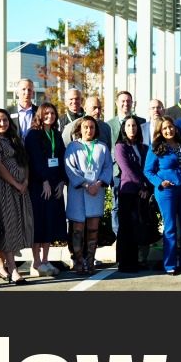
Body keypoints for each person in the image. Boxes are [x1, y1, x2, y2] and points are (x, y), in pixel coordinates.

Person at [0, 108, 33, 284]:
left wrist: (26, 181)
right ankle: (13, 270)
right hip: (5, 189)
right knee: (8, 227)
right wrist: (16, 183)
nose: (2, 124)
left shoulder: (14, 138)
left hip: (20, 189)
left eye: (5, 120)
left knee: (14, 226)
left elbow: (24, 162)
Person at [64, 116, 113, 276]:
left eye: (92, 127)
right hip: (78, 192)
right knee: (77, 228)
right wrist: (85, 184)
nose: (89, 130)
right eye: (85, 127)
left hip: (96, 192)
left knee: (93, 228)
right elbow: (70, 168)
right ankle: (78, 260)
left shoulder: (102, 147)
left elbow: (107, 168)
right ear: (80, 129)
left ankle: (90, 260)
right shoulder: (73, 146)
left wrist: (98, 184)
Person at [146, 118, 181, 275]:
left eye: (170, 127)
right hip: (166, 191)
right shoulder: (155, 147)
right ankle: (170, 264)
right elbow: (148, 171)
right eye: (165, 128)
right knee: (170, 227)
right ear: (160, 130)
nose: (168, 131)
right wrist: (160, 182)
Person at [24, 102, 66, 277]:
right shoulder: (33, 135)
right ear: (40, 115)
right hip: (39, 186)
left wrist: (62, 181)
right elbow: (34, 160)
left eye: (53, 113)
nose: (50, 116)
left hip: (55, 184)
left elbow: (62, 156)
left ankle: (46, 259)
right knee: (39, 222)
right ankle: (36, 262)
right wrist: (44, 181)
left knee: (50, 221)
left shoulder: (56, 133)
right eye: (46, 113)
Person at [113, 116, 152, 274]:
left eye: (134, 125)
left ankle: (136, 262)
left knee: (138, 228)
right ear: (124, 128)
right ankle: (125, 263)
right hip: (128, 192)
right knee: (126, 229)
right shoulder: (120, 146)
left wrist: (148, 187)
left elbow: (148, 168)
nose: (132, 128)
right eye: (128, 125)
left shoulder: (143, 147)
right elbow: (127, 169)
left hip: (142, 194)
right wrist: (141, 185)